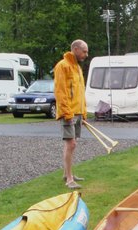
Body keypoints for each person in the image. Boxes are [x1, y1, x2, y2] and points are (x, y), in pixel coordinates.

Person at [54, 39, 89, 189]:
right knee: (71, 144)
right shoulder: (63, 66)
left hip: (77, 111)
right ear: (75, 49)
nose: (86, 55)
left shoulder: (77, 68)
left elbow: (80, 92)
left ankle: (67, 173)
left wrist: (83, 111)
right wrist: (67, 112)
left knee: (71, 145)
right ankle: (69, 179)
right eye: (84, 51)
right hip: (68, 112)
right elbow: (60, 91)